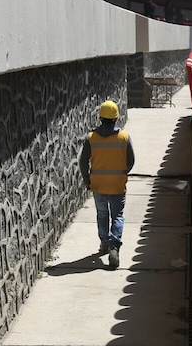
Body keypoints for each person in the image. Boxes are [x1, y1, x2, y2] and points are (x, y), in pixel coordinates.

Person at [79, 101, 136, 268]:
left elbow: (83, 162)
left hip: (98, 185)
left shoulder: (91, 138)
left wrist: (86, 179)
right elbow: (131, 161)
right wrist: (122, 172)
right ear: (116, 118)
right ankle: (114, 247)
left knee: (102, 214)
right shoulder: (124, 137)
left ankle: (104, 243)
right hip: (118, 185)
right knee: (117, 215)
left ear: (100, 118)